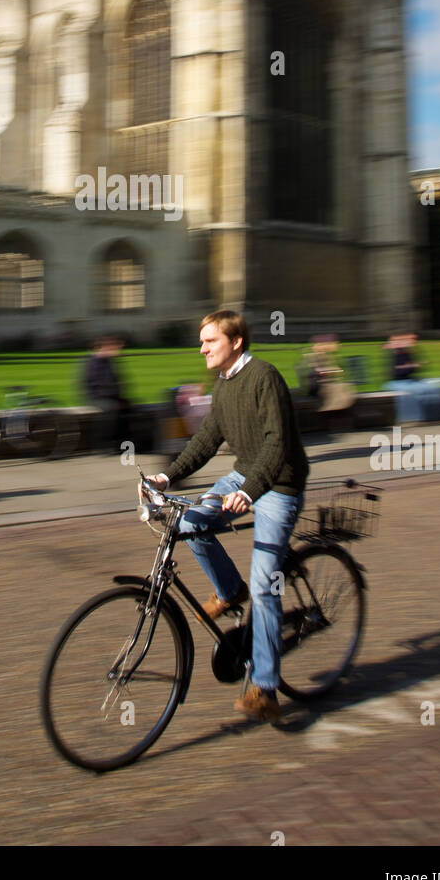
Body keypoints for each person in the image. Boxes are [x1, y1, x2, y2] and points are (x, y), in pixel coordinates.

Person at [146, 309, 309, 724]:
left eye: (209, 341)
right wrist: (167, 476)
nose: (201, 348)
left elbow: (277, 443)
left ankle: (265, 689)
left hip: (280, 484)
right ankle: (228, 591)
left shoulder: (264, 377)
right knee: (188, 522)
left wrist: (249, 492)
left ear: (235, 342)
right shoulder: (225, 384)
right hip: (245, 476)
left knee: (265, 586)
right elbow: (206, 440)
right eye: (201, 341)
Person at [83, 336, 130, 451]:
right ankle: (103, 444)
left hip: (110, 396)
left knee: (129, 406)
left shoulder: (108, 361)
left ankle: (124, 442)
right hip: (96, 397)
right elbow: (96, 385)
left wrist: (120, 397)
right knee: (110, 408)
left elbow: (116, 382)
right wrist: (114, 396)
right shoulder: (93, 362)